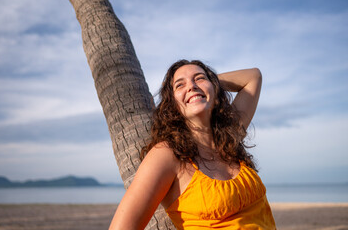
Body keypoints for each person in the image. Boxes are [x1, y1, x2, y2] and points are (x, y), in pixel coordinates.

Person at [109, 59, 276, 229]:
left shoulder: (230, 136)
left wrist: (208, 85)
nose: (191, 86)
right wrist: (201, 86)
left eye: (199, 78)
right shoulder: (167, 155)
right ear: (172, 103)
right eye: (179, 85)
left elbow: (253, 76)